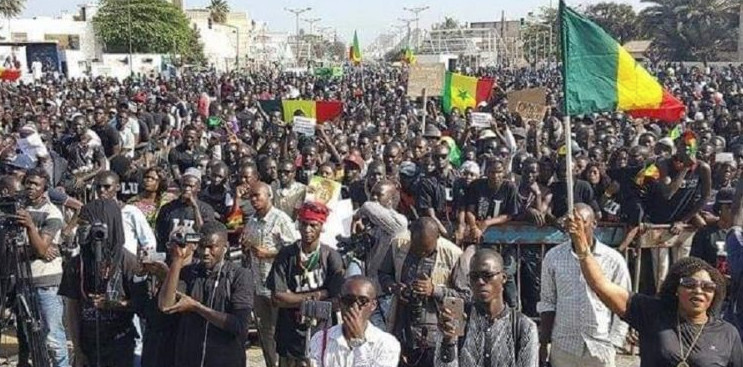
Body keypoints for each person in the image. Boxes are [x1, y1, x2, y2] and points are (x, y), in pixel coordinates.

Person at [568, 206, 743, 367]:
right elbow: (602, 286)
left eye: (707, 287)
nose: (699, 290)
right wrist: (582, 246)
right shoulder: (653, 313)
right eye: (689, 284)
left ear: (715, 293)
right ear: (676, 288)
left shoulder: (727, 334)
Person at [538, 203, 630, 367]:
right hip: (564, 347)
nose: (574, 226)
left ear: (594, 223)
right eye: (570, 222)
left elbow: (624, 305)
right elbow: (547, 302)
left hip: (600, 346)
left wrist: (614, 344)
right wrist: (544, 344)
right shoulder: (553, 257)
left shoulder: (613, 260)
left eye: (580, 222)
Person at [158, 221, 254, 367]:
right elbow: (166, 305)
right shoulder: (190, 272)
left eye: (212, 247)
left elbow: (239, 326)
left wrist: (197, 307)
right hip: (190, 359)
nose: (205, 252)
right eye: (202, 246)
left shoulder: (239, 276)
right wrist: (177, 260)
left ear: (225, 247)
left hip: (225, 360)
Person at [0, 170, 69, 367]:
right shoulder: (16, 208)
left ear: (44, 188)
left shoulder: (52, 213)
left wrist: (30, 226)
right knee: (26, 333)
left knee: (52, 336)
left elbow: (41, 249)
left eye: (36, 184)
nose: (31, 187)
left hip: (46, 282)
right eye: (28, 183)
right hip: (20, 280)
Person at [59, 199, 139, 367]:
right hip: (87, 346)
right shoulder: (77, 263)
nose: (80, 229)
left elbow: (143, 306)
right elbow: (72, 308)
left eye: (85, 224)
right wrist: (78, 350)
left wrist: (116, 305)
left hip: (119, 345)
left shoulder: (128, 262)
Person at [266, 201, 345, 367]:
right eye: (303, 224)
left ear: (321, 226)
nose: (307, 230)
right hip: (290, 331)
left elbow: (337, 301)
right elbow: (277, 298)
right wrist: (318, 295)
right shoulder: (286, 255)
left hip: (322, 331)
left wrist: (295, 299)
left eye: (313, 225)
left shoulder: (331, 256)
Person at [378, 217, 464, 367]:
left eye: (426, 249)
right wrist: (395, 288)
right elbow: (384, 274)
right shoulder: (398, 244)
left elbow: (465, 295)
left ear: (437, 238)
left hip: (439, 334)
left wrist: (434, 290)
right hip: (403, 329)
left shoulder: (454, 254)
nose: (421, 253)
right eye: (417, 249)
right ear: (410, 236)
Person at [435, 248, 538, 367]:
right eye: (474, 276)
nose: (480, 282)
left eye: (487, 275)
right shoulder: (457, 319)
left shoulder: (524, 327)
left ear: (503, 278)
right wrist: (448, 341)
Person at [242, 182, 298, 367]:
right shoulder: (252, 220)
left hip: (277, 287)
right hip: (258, 286)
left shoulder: (280, 219)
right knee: (264, 332)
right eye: (251, 196)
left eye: (258, 195)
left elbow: (295, 249)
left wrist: (270, 253)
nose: (254, 199)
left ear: (269, 195)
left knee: (278, 332)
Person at [308, 276, 401, 367]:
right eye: (349, 300)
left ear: (373, 305)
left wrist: (358, 343)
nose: (354, 307)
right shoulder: (320, 338)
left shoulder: (387, 344)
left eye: (363, 301)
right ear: (340, 302)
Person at [154, 168, 216, 254]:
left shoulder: (206, 209)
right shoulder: (168, 209)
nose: (187, 188)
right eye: (184, 185)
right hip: (172, 255)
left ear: (198, 187)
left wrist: (195, 208)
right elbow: (161, 236)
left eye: (191, 186)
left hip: (195, 257)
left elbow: (205, 235)